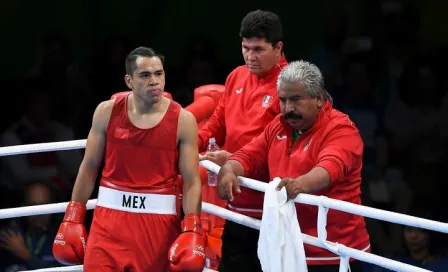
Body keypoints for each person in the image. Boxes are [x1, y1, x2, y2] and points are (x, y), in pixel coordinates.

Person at [52, 47, 206, 272]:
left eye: (159, 73)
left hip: (157, 225)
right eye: (145, 75)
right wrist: (74, 215)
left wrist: (192, 228)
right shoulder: (106, 112)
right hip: (108, 222)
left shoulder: (183, 120)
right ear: (129, 80)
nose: (154, 81)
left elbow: (192, 180)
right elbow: (89, 166)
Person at [218, 60, 370, 272]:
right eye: (283, 100)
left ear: (318, 98)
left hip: (334, 252)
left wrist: (300, 184)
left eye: (296, 99)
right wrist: (229, 168)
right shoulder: (279, 125)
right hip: (290, 248)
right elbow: (250, 154)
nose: (288, 108)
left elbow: (330, 168)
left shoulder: (341, 129)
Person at [198, 10, 287, 271]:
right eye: (245, 48)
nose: (250, 56)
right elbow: (215, 125)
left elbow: (280, 147)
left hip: (274, 210)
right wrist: (187, 141)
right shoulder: (237, 76)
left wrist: (234, 159)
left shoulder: (292, 88)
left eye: (258, 49)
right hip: (237, 205)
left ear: (278, 47)